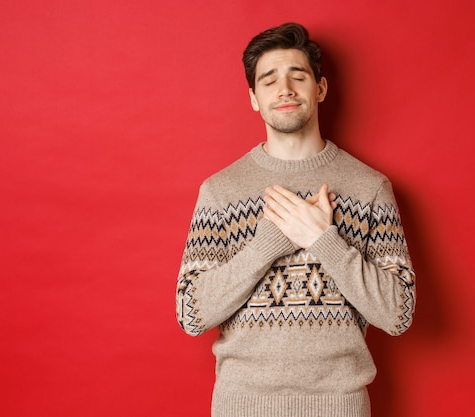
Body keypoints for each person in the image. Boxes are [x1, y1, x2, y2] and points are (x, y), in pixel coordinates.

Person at [176, 22, 416, 417]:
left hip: (339, 406)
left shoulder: (369, 188)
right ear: (254, 98)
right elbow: (190, 314)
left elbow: (398, 315)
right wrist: (267, 246)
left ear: (319, 88)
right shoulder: (220, 191)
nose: (284, 89)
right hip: (241, 406)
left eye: (297, 76)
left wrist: (325, 240)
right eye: (268, 81)